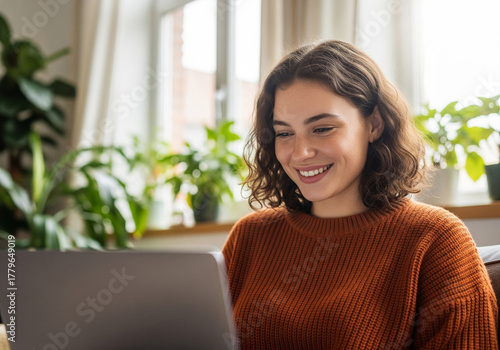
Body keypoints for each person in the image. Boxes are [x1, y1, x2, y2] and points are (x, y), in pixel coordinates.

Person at [222, 40, 498, 349]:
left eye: (322, 128)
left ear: (374, 124)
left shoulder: (436, 239)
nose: (300, 153)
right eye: (284, 133)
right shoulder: (249, 237)